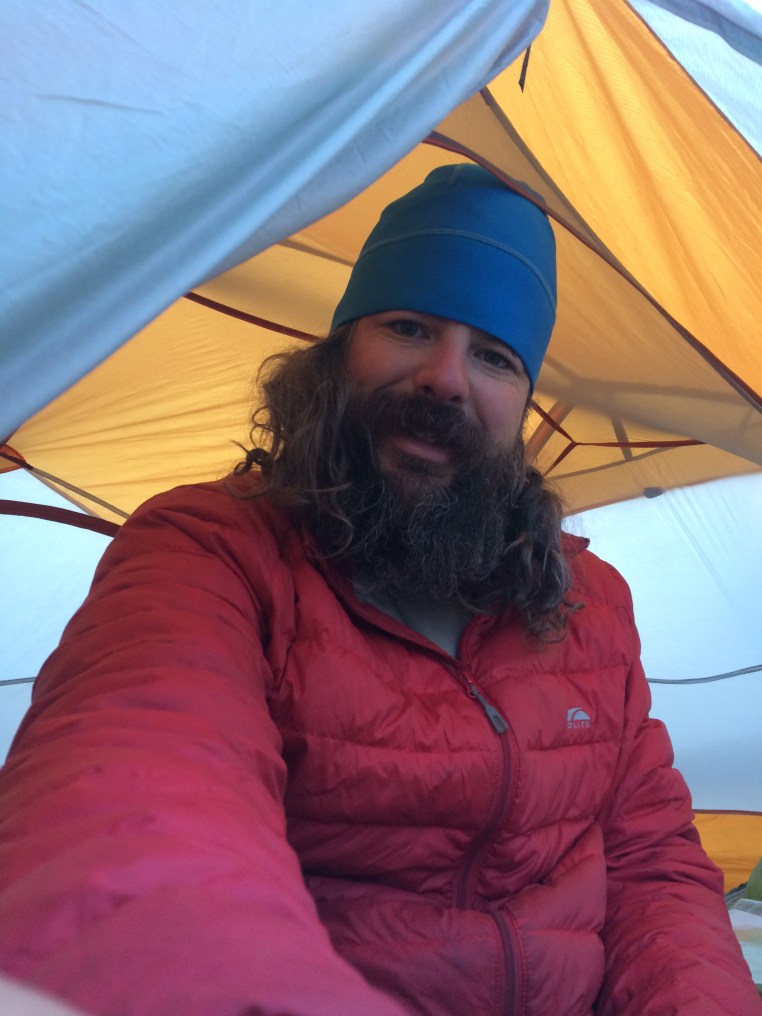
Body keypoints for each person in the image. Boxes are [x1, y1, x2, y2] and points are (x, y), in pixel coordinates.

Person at [0, 165, 758, 1016]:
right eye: (409, 326)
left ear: (521, 403)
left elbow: (650, 864)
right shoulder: (212, 552)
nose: (445, 377)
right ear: (337, 353)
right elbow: (141, 809)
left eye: (494, 356)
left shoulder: (589, 606)